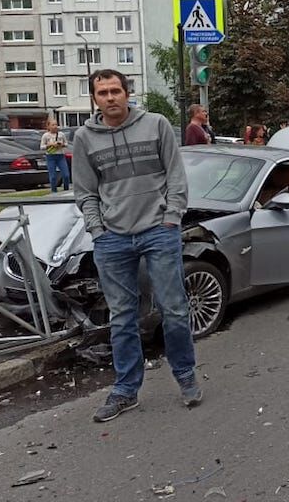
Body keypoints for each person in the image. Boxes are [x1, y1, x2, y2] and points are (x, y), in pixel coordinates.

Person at [73, 69, 200, 422]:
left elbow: (176, 176)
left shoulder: (156, 125)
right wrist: (97, 230)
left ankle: (185, 375)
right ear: (94, 99)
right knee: (122, 317)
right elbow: (85, 191)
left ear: (127, 93)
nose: (110, 97)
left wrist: (172, 217)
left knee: (174, 309)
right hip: (112, 237)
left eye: (115, 90)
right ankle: (126, 390)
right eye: (103, 93)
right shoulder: (84, 137)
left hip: (158, 230)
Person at [40, 119, 70, 192]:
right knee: (53, 176)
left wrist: (61, 144)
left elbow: (66, 144)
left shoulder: (61, 134)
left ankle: (66, 189)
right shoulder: (46, 135)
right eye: (53, 125)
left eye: (56, 124)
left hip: (60, 156)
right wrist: (50, 145)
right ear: (48, 126)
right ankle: (54, 191)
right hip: (51, 156)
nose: (55, 126)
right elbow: (42, 147)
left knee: (66, 175)